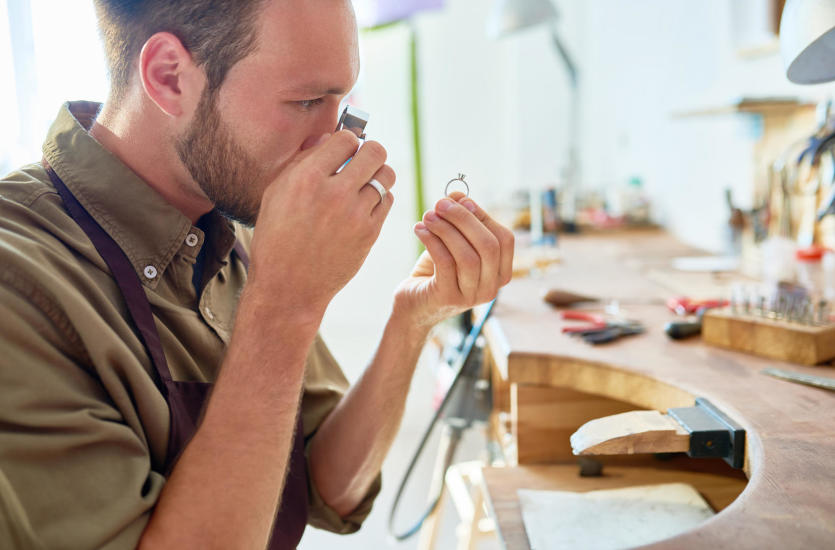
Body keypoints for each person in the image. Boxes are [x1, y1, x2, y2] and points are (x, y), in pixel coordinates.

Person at [0, 0, 514, 548]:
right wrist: (284, 306)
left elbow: (326, 486)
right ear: (169, 77)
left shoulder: (230, 210)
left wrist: (413, 318)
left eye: (342, 105)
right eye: (307, 101)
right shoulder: (20, 289)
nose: (339, 144)